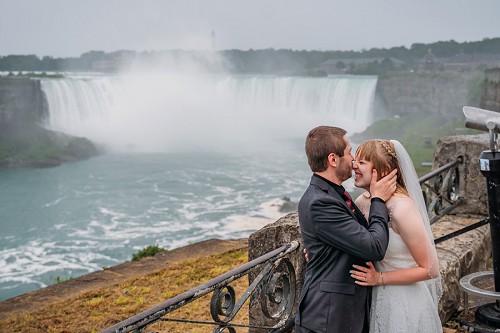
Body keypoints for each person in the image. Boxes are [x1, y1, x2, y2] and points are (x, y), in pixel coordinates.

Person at [295, 126, 397, 333]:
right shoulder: (320, 202)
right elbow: (374, 247)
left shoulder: (331, 193)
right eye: (349, 152)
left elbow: (344, 237)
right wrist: (378, 199)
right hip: (328, 318)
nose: (353, 160)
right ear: (333, 159)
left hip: (341, 313)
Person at [349, 139, 442, 332]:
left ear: (384, 171)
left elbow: (431, 269)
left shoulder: (402, 208)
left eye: (362, 162)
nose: (354, 165)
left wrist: (380, 278)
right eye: (355, 160)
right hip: (375, 299)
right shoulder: (362, 202)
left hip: (404, 303)